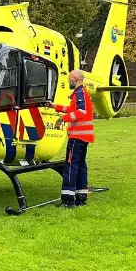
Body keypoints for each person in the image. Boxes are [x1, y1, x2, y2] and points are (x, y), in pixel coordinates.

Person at [54, 70, 94, 208]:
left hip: (77, 136)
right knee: (81, 165)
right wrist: (55, 107)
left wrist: (62, 119)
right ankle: (81, 197)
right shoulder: (82, 93)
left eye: (70, 77)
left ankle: (68, 200)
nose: (68, 79)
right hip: (84, 137)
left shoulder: (79, 93)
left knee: (70, 166)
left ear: (75, 78)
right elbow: (72, 109)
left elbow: (80, 112)